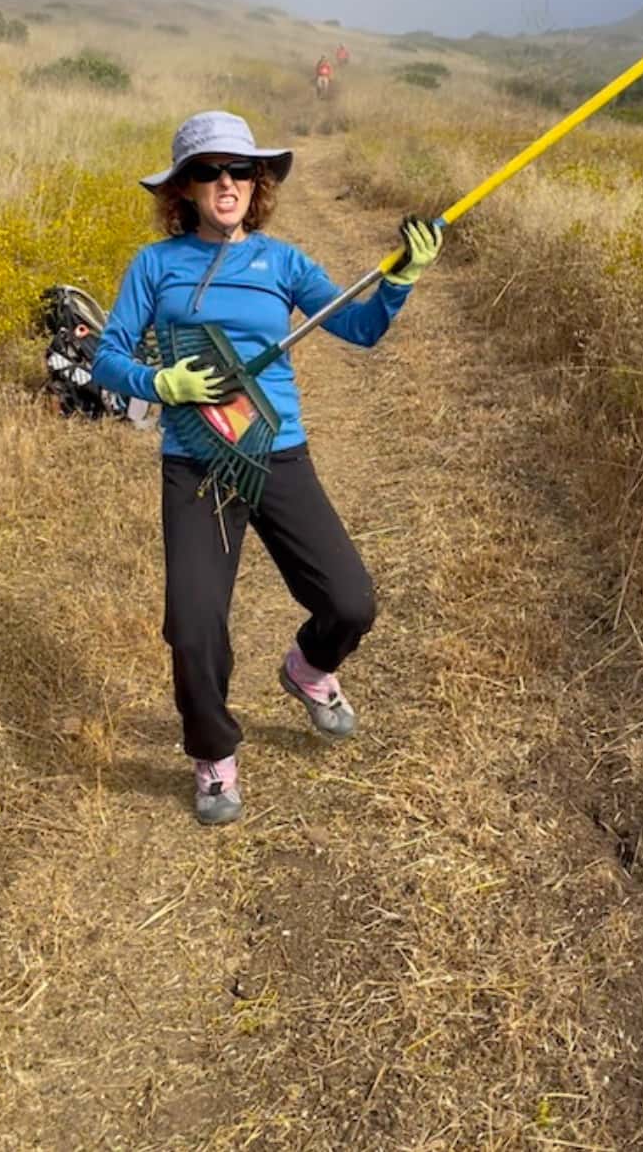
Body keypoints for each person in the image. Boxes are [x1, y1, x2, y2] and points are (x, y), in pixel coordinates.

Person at [93, 110, 441, 825]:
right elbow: (108, 357)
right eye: (208, 171)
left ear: (258, 183)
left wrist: (402, 278)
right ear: (184, 189)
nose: (226, 182)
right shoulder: (154, 266)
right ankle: (214, 756)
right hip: (196, 463)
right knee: (192, 627)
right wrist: (163, 384)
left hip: (275, 452)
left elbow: (361, 329)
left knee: (351, 602)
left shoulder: (282, 263)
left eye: (239, 170)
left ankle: (309, 669)